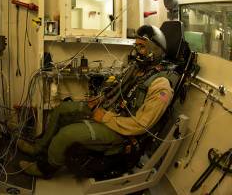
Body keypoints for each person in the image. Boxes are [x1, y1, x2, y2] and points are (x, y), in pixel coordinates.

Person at [17, 24, 177, 177]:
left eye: (142, 47)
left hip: (122, 132)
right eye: (136, 46)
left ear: (154, 51)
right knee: (62, 109)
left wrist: (105, 117)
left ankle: (45, 169)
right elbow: (118, 89)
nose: (137, 52)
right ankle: (38, 148)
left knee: (66, 134)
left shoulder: (161, 86)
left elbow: (142, 125)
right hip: (109, 110)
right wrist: (101, 98)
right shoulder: (136, 69)